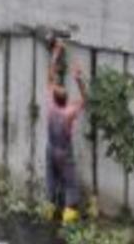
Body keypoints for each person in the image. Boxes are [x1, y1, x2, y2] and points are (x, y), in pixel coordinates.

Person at [44, 38, 88, 224]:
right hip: (64, 152)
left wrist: (55, 53)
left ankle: (49, 211)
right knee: (70, 184)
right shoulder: (69, 112)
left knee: (51, 179)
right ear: (66, 99)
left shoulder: (50, 106)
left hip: (50, 149)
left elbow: (50, 78)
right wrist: (78, 80)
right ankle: (69, 219)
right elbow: (85, 99)